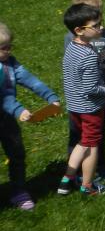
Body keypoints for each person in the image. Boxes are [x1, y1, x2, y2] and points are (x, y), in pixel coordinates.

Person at [59, 4, 105, 196]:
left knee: (82, 142)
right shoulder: (89, 54)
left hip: (74, 106)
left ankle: (66, 179)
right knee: (92, 145)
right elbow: (91, 88)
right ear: (79, 30)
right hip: (90, 109)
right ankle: (87, 186)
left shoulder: (72, 47)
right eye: (95, 25)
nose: (101, 28)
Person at [0, 22, 61, 210]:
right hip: (7, 110)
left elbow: (30, 80)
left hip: (5, 120)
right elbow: (3, 96)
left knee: (17, 153)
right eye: (3, 48)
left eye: (10, 46)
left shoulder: (10, 63)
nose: (8, 51)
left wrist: (50, 97)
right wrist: (19, 110)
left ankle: (18, 191)